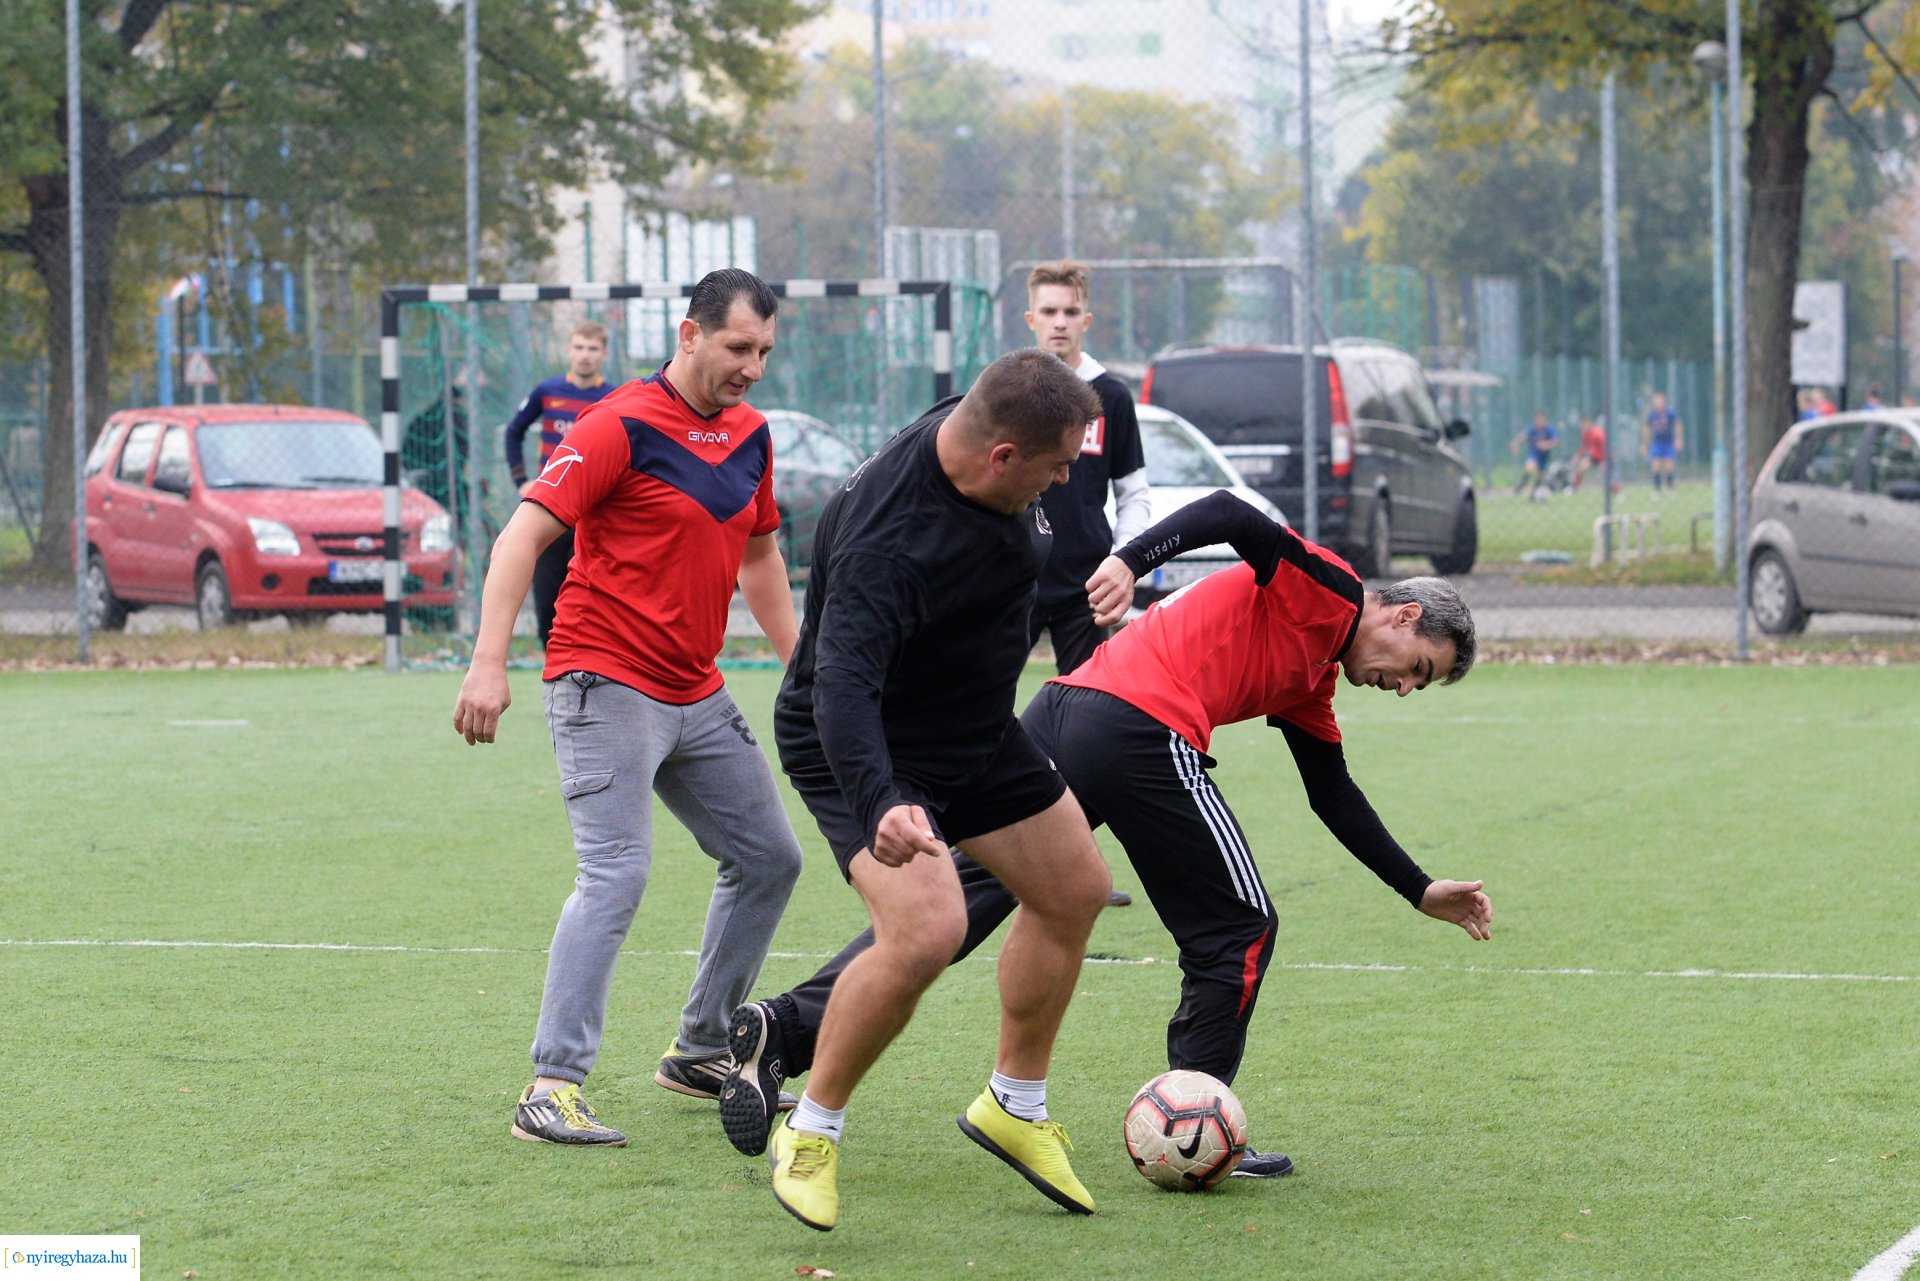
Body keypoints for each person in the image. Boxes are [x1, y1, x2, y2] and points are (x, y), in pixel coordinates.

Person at [719, 490, 1492, 1184]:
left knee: (956, 898)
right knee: (1240, 925)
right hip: (1138, 728)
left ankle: (783, 1028)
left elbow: (1333, 794)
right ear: (1404, 615)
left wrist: (1419, 887)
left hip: (1066, 706)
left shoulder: (1313, 673)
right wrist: (1127, 559)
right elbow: (1227, 512)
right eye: (1417, 668)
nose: (1403, 685)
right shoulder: (1330, 591)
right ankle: (1195, 1124)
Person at [759, 349, 1113, 1232]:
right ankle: (811, 1127)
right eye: (1058, 464)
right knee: (927, 930)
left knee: (1074, 890)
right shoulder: (893, 542)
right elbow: (840, 687)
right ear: (1002, 457)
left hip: (974, 729)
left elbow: (1013, 390)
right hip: (865, 739)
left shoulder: (982, 421)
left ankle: (1014, 1105)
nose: (1068, 478)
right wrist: (880, 799)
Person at [452, 270, 806, 1149]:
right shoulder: (616, 424)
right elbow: (523, 534)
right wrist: (488, 662)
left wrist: (802, 662)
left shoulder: (752, 435)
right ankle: (551, 1084)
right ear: (689, 334)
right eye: (737, 347)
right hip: (601, 680)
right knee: (617, 872)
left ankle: (701, 1049)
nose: (752, 367)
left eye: (763, 350)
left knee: (768, 857)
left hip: (697, 687)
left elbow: (760, 557)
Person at [1024, 260, 1152, 906]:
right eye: (1048, 311)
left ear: (1086, 319)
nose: (1059, 322)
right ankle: (976, 849)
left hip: (1088, 588)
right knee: (976, 707)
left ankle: (1080, 868)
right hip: (1012, 581)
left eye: (1069, 311)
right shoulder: (1010, 391)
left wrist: (1125, 563)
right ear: (1030, 320)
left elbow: (1134, 495)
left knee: (1093, 724)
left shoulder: (1112, 397)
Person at [503, 320, 618, 645]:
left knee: (596, 598)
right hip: (550, 510)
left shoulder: (613, 397)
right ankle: (551, 662)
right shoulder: (547, 391)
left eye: (592, 349)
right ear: (569, 350)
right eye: (579, 347)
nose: (585, 355)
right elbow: (514, 432)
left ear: (604, 354)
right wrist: (522, 482)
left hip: (592, 514)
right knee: (547, 600)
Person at [1642, 392, 1683, 494]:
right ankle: (1657, 489)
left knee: (1669, 466)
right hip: (1657, 443)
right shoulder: (1652, 414)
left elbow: (1678, 424)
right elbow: (1647, 429)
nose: (1657, 402)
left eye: (1659, 400)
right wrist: (1644, 444)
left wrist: (1678, 439)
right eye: (1655, 400)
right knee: (1656, 465)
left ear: (1663, 401)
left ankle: (1670, 487)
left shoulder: (1669, 412)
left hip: (1668, 443)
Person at [1512, 410, 1559, 499]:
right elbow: (1523, 435)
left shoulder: (1548, 429)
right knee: (1530, 468)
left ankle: (1533, 494)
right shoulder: (1533, 429)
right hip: (1534, 454)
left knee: (1539, 477)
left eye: (1541, 419)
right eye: (1537, 419)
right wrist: (1515, 443)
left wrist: (1546, 444)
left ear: (1544, 420)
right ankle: (1521, 485)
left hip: (1544, 456)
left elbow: (1555, 441)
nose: (1539, 422)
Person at [1571, 414, 1607, 492]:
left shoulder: (1597, 433)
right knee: (1581, 468)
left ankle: (1618, 493)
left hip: (1603, 457)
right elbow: (1585, 446)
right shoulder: (1585, 433)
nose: (1583, 427)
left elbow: (1605, 447)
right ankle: (1574, 488)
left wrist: (1604, 461)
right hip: (1593, 458)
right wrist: (1578, 455)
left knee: (1606, 476)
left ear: (1590, 423)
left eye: (1585, 424)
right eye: (1582, 425)